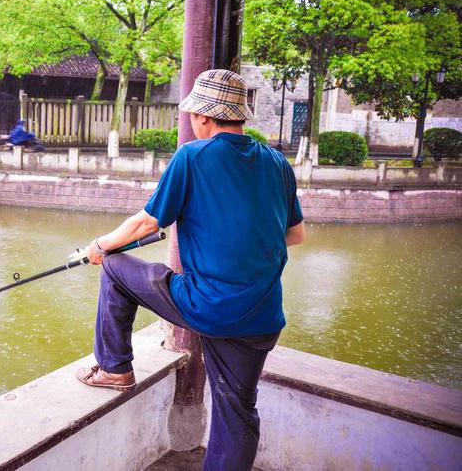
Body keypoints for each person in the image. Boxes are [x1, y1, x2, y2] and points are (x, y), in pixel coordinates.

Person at [75, 69, 305, 470]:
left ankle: (114, 368)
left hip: (210, 306)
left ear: (203, 117)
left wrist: (99, 245)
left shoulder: (193, 156)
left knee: (115, 267)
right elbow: (294, 234)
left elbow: (149, 222)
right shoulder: (277, 163)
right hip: (265, 315)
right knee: (238, 412)